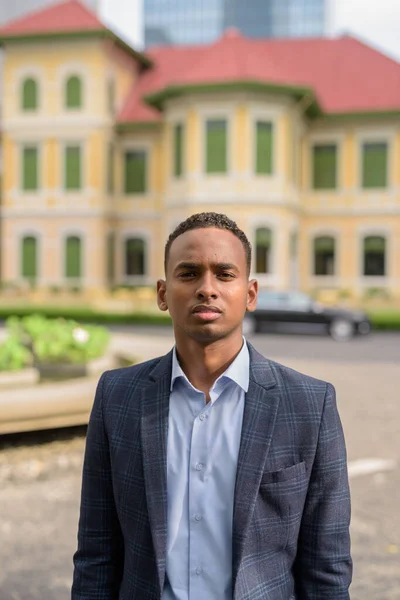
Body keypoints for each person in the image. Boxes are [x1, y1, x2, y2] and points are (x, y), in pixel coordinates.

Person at [72, 212, 352, 600]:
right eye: (188, 274)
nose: (207, 288)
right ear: (162, 293)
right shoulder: (117, 396)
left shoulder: (310, 404)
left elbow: (327, 568)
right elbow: (96, 552)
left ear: (250, 293)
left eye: (224, 274)